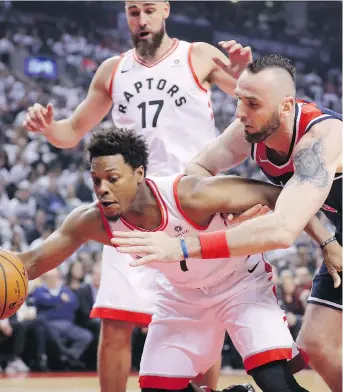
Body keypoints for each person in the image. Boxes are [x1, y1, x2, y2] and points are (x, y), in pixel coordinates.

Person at [23, 1, 253, 390]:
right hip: (131, 203)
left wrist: (247, 74)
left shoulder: (197, 55)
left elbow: (252, 98)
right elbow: (72, 131)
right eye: (133, 11)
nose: (141, 20)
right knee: (116, 322)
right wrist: (49, 128)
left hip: (189, 202)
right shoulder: (113, 70)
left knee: (202, 321)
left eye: (148, 9)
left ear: (165, 9)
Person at [18, 127, 314, 392]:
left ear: (139, 174)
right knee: (156, 388)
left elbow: (283, 196)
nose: (102, 188)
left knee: (274, 380)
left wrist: (327, 243)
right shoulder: (92, 220)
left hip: (239, 284)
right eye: (96, 180)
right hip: (183, 297)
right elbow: (30, 262)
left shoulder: (191, 194)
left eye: (112, 178)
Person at [112, 54, 342, 392]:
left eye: (252, 103)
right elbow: (197, 172)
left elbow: (281, 230)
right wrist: (224, 211)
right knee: (318, 345)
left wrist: (181, 246)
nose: (239, 113)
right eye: (238, 100)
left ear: (286, 106)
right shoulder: (251, 130)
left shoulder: (320, 139)